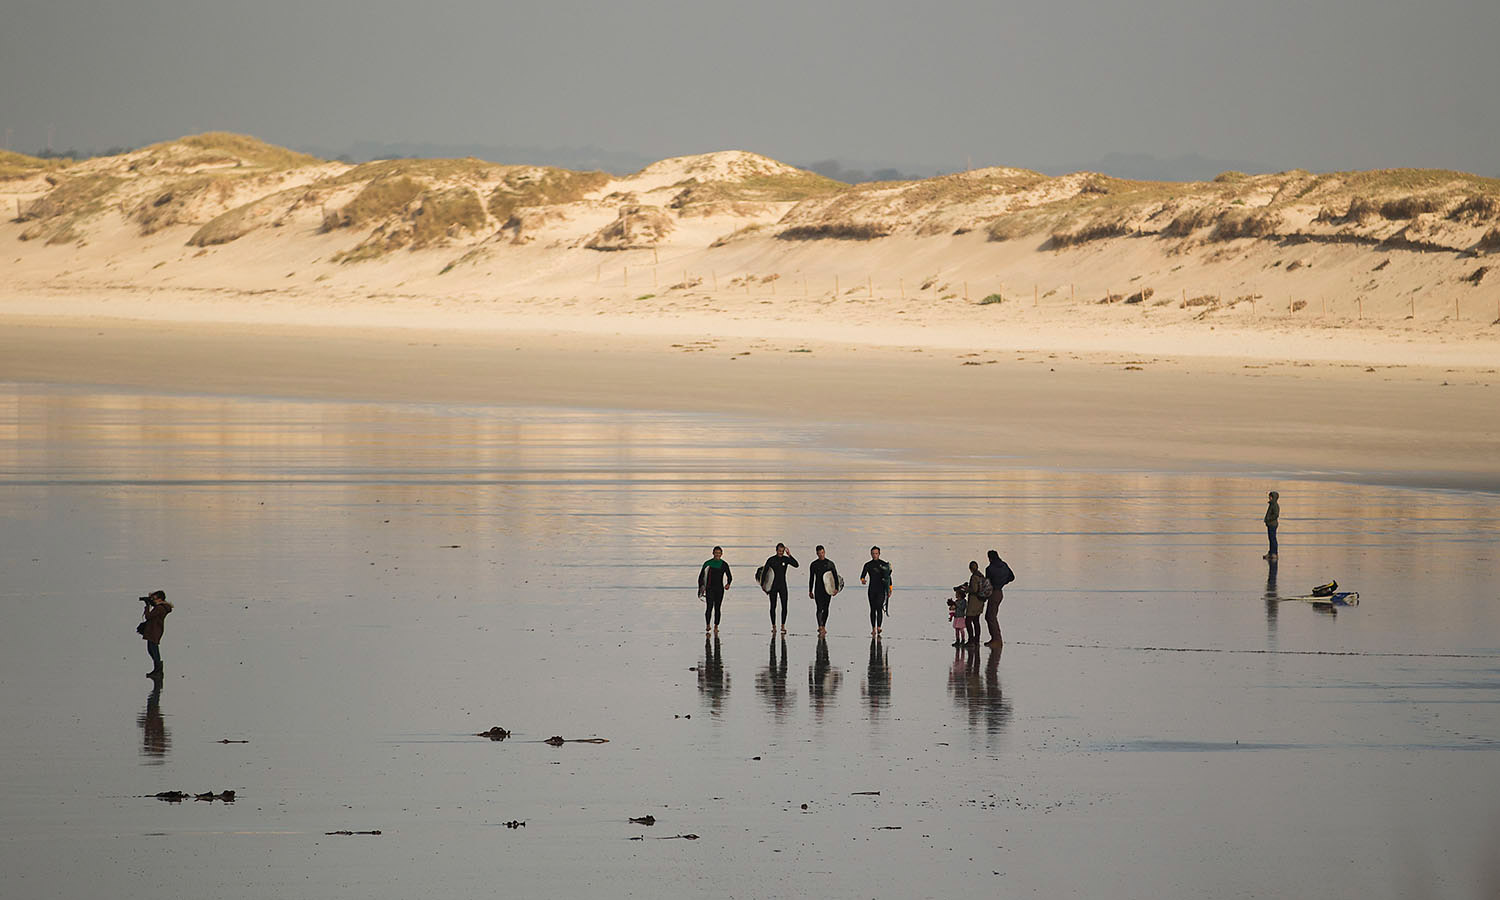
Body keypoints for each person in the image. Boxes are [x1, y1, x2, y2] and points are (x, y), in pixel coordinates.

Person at [761, 543, 799, 633]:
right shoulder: (771, 560)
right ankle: (774, 626)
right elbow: (764, 572)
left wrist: (789, 555)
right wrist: (763, 585)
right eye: (779, 551)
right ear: (776, 550)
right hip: (773, 586)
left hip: (782, 585)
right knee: (773, 606)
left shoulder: (786, 559)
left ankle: (783, 625)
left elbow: (796, 565)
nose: (781, 553)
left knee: (784, 606)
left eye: (782, 551)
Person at [807, 545, 842, 636]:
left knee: (826, 608)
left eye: (822, 553)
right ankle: (820, 626)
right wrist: (810, 590)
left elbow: (835, 576)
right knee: (819, 608)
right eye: (819, 553)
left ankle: (824, 625)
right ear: (817, 553)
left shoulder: (830, 563)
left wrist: (836, 589)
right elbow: (811, 578)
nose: (821, 555)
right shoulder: (814, 564)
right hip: (818, 589)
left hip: (828, 589)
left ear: (824, 552)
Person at [859, 546, 893, 636]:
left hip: (881, 589)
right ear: (871, 554)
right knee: (873, 609)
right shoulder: (868, 565)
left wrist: (890, 589)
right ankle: (873, 628)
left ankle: (879, 627)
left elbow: (889, 578)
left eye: (876, 553)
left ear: (879, 554)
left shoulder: (884, 564)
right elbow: (863, 575)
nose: (875, 555)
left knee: (879, 607)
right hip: (871, 589)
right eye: (873, 553)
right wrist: (862, 580)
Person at [138, 590, 173, 678]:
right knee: (151, 649)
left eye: (154, 598)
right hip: (155, 630)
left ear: (159, 599)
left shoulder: (160, 608)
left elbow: (148, 616)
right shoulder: (161, 607)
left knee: (153, 649)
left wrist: (147, 607)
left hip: (154, 630)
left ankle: (158, 670)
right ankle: (157, 670)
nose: (153, 600)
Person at [698, 547, 733, 633]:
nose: (717, 554)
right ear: (713, 553)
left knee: (717, 608)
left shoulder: (724, 564)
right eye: (716, 553)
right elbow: (701, 577)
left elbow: (729, 576)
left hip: (719, 589)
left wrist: (728, 584)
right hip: (709, 589)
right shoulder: (707, 564)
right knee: (709, 607)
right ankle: (708, 625)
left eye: (719, 553)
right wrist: (701, 587)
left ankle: (716, 626)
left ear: (721, 554)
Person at [983, 550, 1013, 647]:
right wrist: (1003, 582)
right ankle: (995, 639)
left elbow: (987, 584)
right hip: (1000, 592)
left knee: (990, 617)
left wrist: (983, 596)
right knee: (991, 616)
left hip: (993, 593)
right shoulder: (1004, 565)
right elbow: (1012, 577)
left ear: (990, 558)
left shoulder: (990, 568)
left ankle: (996, 640)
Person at [963, 561, 987, 645]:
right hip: (981, 601)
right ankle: (976, 640)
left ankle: (971, 640)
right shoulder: (981, 575)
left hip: (974, 601)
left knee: (968, 620)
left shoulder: (974, 577)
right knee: (976, 621)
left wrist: (966, 589)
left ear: (970, 568)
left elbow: (974, 590)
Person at [1263, 491, 1280, 560]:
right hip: (1270, 524)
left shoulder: (1275, 505)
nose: (1269, 498)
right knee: (1270, 539)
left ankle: (1274, 553)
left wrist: (1268, 519)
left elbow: (1276, 515)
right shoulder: (1271, 504)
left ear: (1273, 497)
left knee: (1273, 539)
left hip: (1273, 524)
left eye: (1270, 496)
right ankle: (1270, 553)